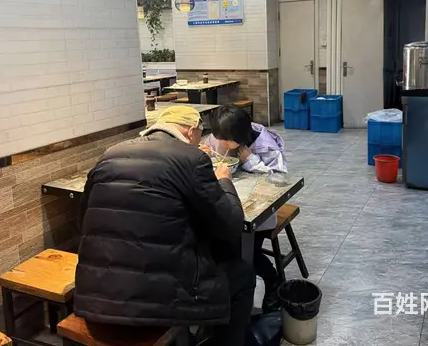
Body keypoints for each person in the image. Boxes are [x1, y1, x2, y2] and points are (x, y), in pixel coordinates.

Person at [75, 106, 255, 346]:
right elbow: (231, 225)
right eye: (200, 133)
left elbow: (82, 221)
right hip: (156, 305)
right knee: (242, 275)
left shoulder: (110, 154)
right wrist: (224, 181)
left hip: (96, 298)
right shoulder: (192, 159)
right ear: (191, 130)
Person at [201, 105, 287, 313]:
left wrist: (250, 160)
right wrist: (202, 155)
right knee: (214, 241)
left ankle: (272, 280)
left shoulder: (265, 145)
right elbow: (211, 151)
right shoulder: (221, 135)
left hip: (259, 210)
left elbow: (280, 179)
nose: (221, 144)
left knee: (244, 251)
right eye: (218, 138)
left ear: (239, 136)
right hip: (228, 201)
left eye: (226, 141)